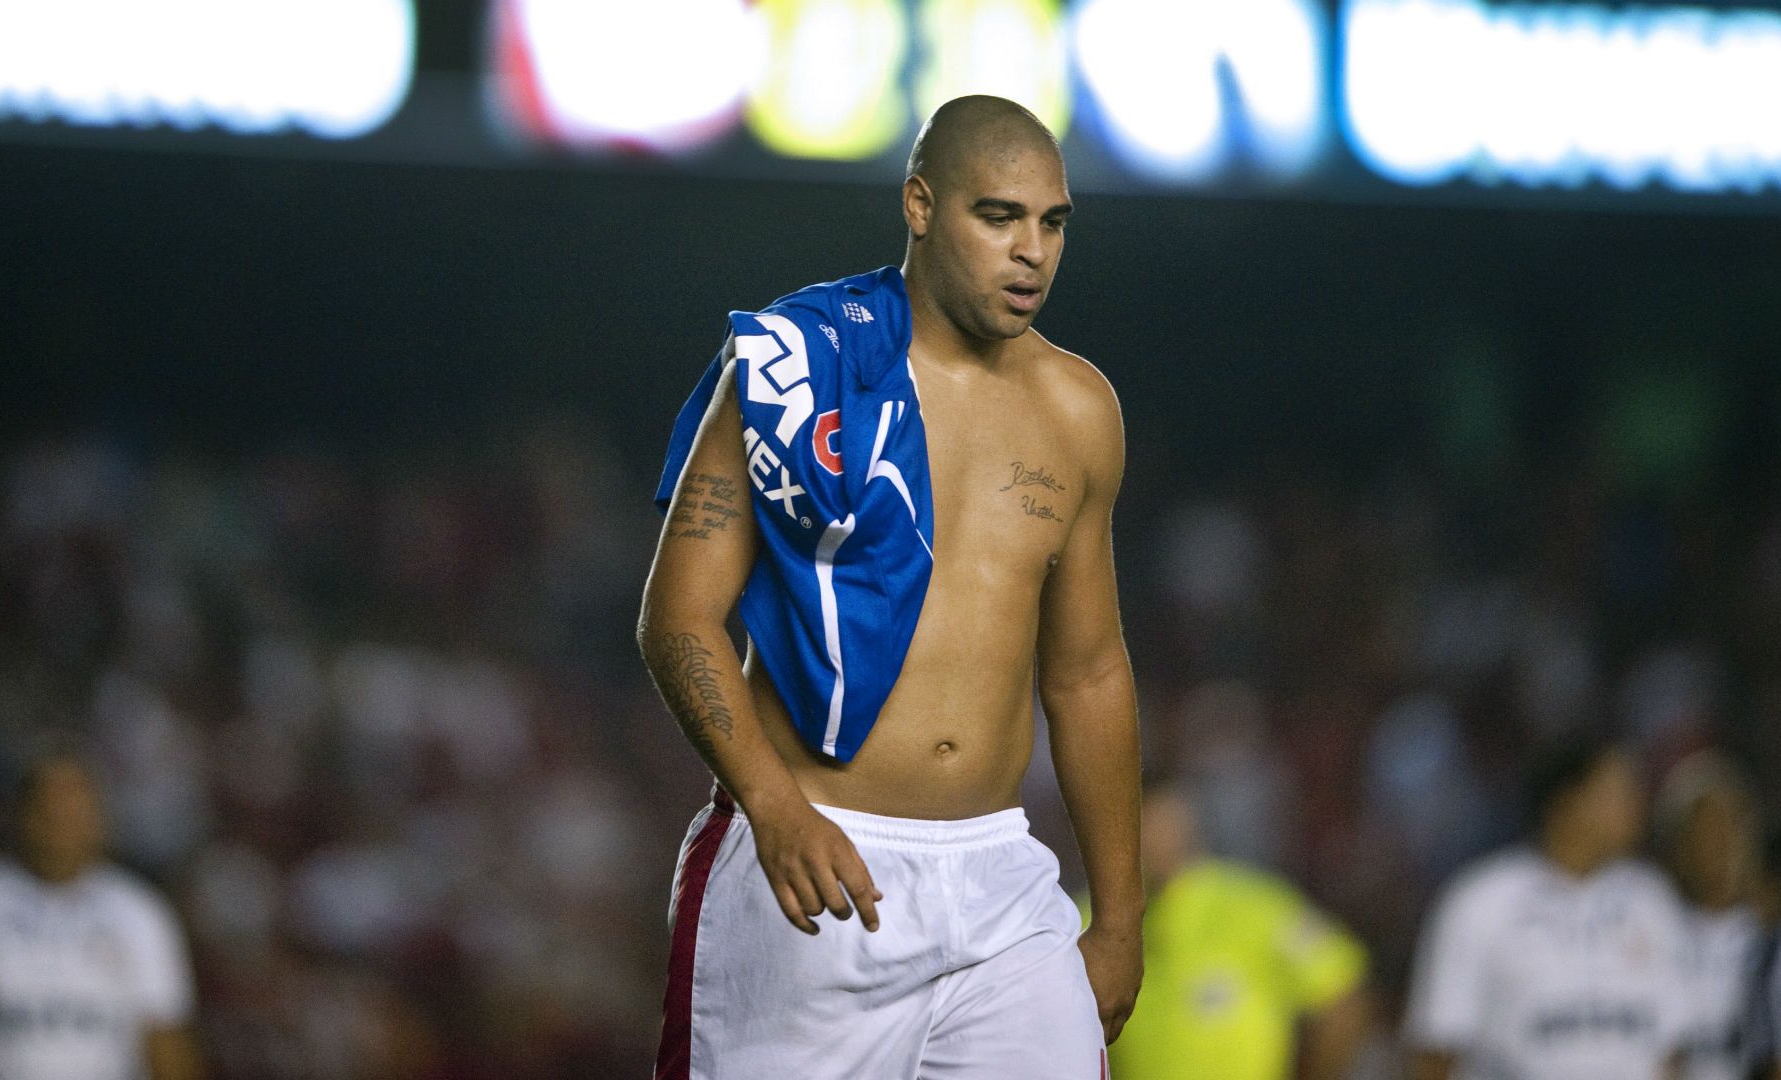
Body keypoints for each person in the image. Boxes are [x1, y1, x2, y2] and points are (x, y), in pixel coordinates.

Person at [639, 95, 1141, 1079]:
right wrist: (774, 807)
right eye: (998, 217)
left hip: (1002, 888)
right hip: (813, 865)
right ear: (920, 203)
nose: (1032, 251)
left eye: (1053, 222)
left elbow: (1087, 673)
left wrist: (1120, 917)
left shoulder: (1080, 409)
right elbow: (678, 620)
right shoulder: (797, 365)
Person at [1404, 737, 1690, 1080]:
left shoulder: (1652, 901)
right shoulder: (1481, 901)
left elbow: (1674, 1046)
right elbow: (1436, 1049)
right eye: (1616, 792)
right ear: (1567, 801)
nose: (1635, 806)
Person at [1091, 771, 1371, 1080]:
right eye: (1142, 825)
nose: (1155, 837)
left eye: (1163, 822)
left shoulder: (1258, 909)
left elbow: (1343, 998)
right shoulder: (1087, 920)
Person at [0, 755, 203, 1080]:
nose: (62, 823)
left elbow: (167, 1041)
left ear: (100, 818)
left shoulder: (138, 912)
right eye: (50, 809)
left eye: (75, 810)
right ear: (17, 813)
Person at [1656, 753, 1781, 1080]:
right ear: (1676, 845)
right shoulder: (1651, 936)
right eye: (1701, 830)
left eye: (1727, 827)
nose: (1716, 846)